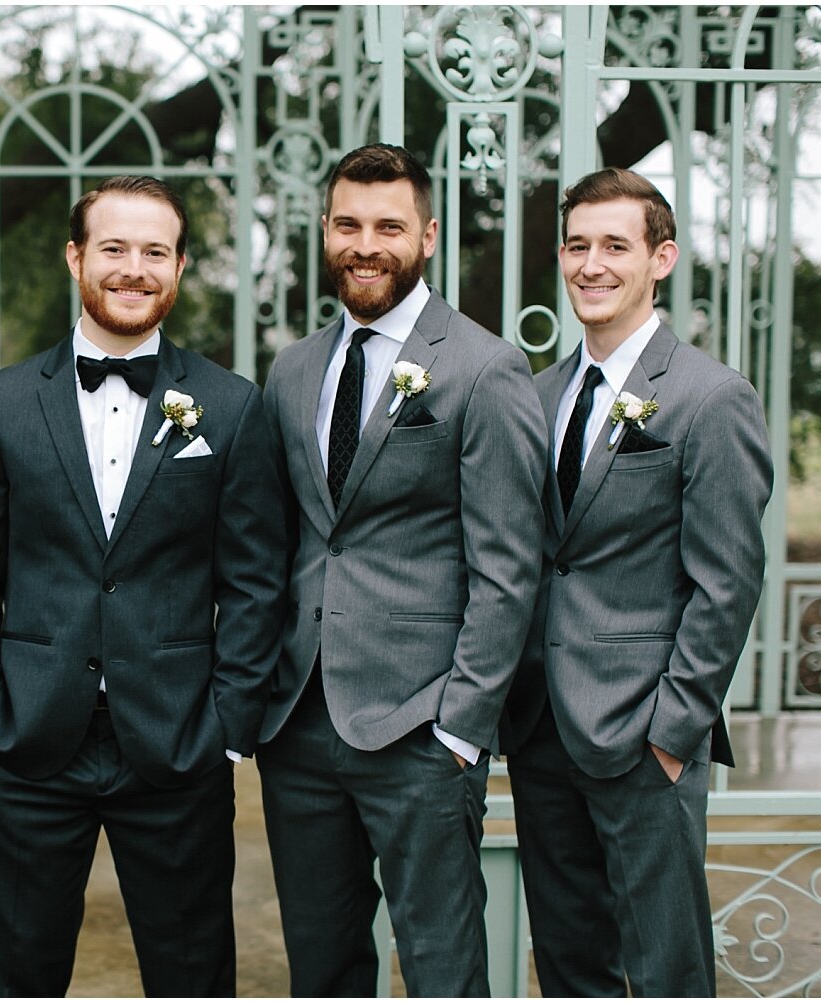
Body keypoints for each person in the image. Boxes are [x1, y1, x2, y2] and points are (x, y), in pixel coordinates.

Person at [0, 175, 286, 996]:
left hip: (176, 744)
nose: (134, 268)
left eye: (155, 251)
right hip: (27, 743)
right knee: (18, 977)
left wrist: (229, 725)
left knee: (192, 974)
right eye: (115, 248)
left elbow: (254, 578)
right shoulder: (1, 404)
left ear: (180, 265)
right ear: (76, 257)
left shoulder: (231, 407)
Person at [257, 144, 548, 996]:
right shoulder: (294, 368)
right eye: (348, 224)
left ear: (426, 236)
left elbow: (508, 564)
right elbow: (286, 539)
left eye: (388, 226)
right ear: (325, 231)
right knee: (320, 965)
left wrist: (461, 723)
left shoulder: (485, 367)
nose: (365, 244)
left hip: (422, 725)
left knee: (441, 965)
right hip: (299, 720)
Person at [501, 167, 773, 996]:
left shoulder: (711, 397)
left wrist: (672, 728)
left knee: (665, 965)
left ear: (662, 258)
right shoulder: (535, 393)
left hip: (646, 730)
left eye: (615, 246)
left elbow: (727, 579)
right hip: (542, 726)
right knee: (570, 960)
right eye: (578, 245)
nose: (592, 264)